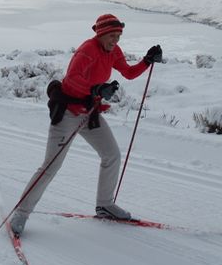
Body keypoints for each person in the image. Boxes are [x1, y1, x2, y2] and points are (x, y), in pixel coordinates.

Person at [10, 14, 163, 236]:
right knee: (51, 166)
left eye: (119, 36)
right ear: (101, 34)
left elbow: (128, 73)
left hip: (90, 112)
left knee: (111, 155)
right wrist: (96, 90)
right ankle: (21, 213)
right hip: (68, 114)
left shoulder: (113, 51)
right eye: (112, 36)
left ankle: (105, 205)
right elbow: (72, 79)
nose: (115, 41)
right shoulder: (87, 50)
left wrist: (147, 61)